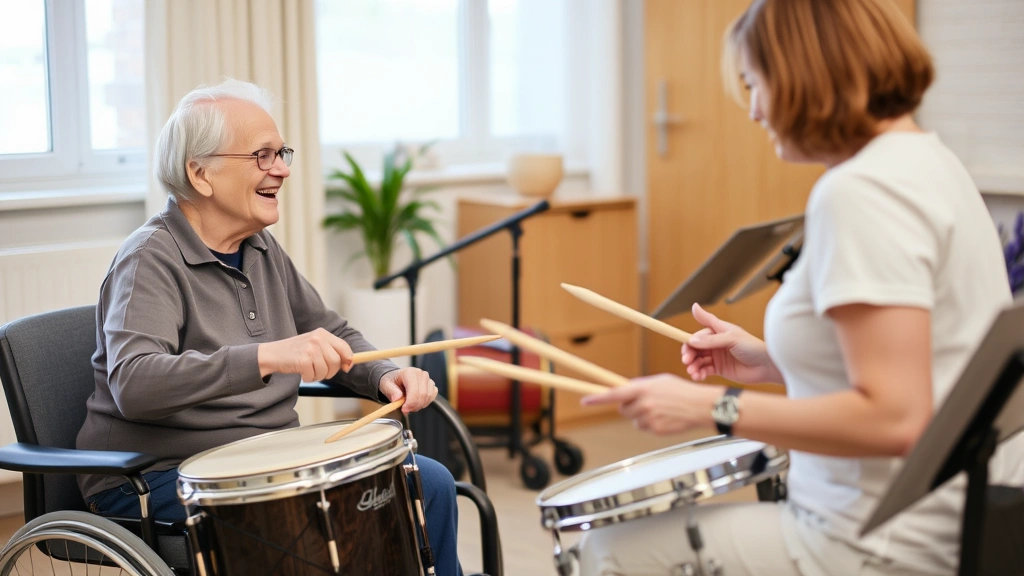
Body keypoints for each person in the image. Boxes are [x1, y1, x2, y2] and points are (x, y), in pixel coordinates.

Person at [579, 0, 1024, 575]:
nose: (755, 111)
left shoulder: (862, 191)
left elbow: (896, 417)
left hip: (878, 541)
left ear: (804, 77)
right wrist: (768, 362)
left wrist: (712, 405)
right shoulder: (928, 160)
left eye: (755, 84)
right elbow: (928, 369)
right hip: (955, 513)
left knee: (608, 547)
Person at [76, 80, 462, 575]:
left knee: (426, 483)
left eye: (281, 153)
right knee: (308, 530)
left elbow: (328, 330)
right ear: (201, 173)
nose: (281, 168)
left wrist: (384, 375)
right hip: (154, 478)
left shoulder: (259, 247)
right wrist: (268, 357)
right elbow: (135, 384)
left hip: (260, 461)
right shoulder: (150, 259)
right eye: (262, 155)